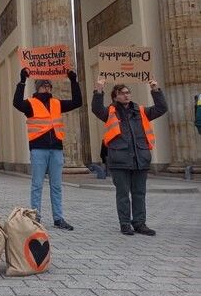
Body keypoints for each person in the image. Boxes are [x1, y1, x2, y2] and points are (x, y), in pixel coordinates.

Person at [92, 79, 168, 236]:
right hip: (119, 159)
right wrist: (98, 90)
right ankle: (125, 224)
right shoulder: (110, 112)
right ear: (115, 97)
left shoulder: (141, 111)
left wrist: (155, 90)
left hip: (140, 158)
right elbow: (96, 108)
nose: (126, 96)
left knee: (139, 193)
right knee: (123, 194)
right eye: (122, 93)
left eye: (127, 93)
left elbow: (161, 108)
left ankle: (140, 223)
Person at [13, 68, 82, 230]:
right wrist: (22, 81)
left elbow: (77, 102)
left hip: (56, 149)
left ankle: (58, 218)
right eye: (44, 86)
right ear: (37, 88)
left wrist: (74, 81)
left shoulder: (56, 103)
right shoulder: (30, 104)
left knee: (56, 186)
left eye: (49, 86)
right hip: (38, 149)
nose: (47, 89)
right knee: (37, 185)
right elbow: (16, 102)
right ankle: (35, 218)